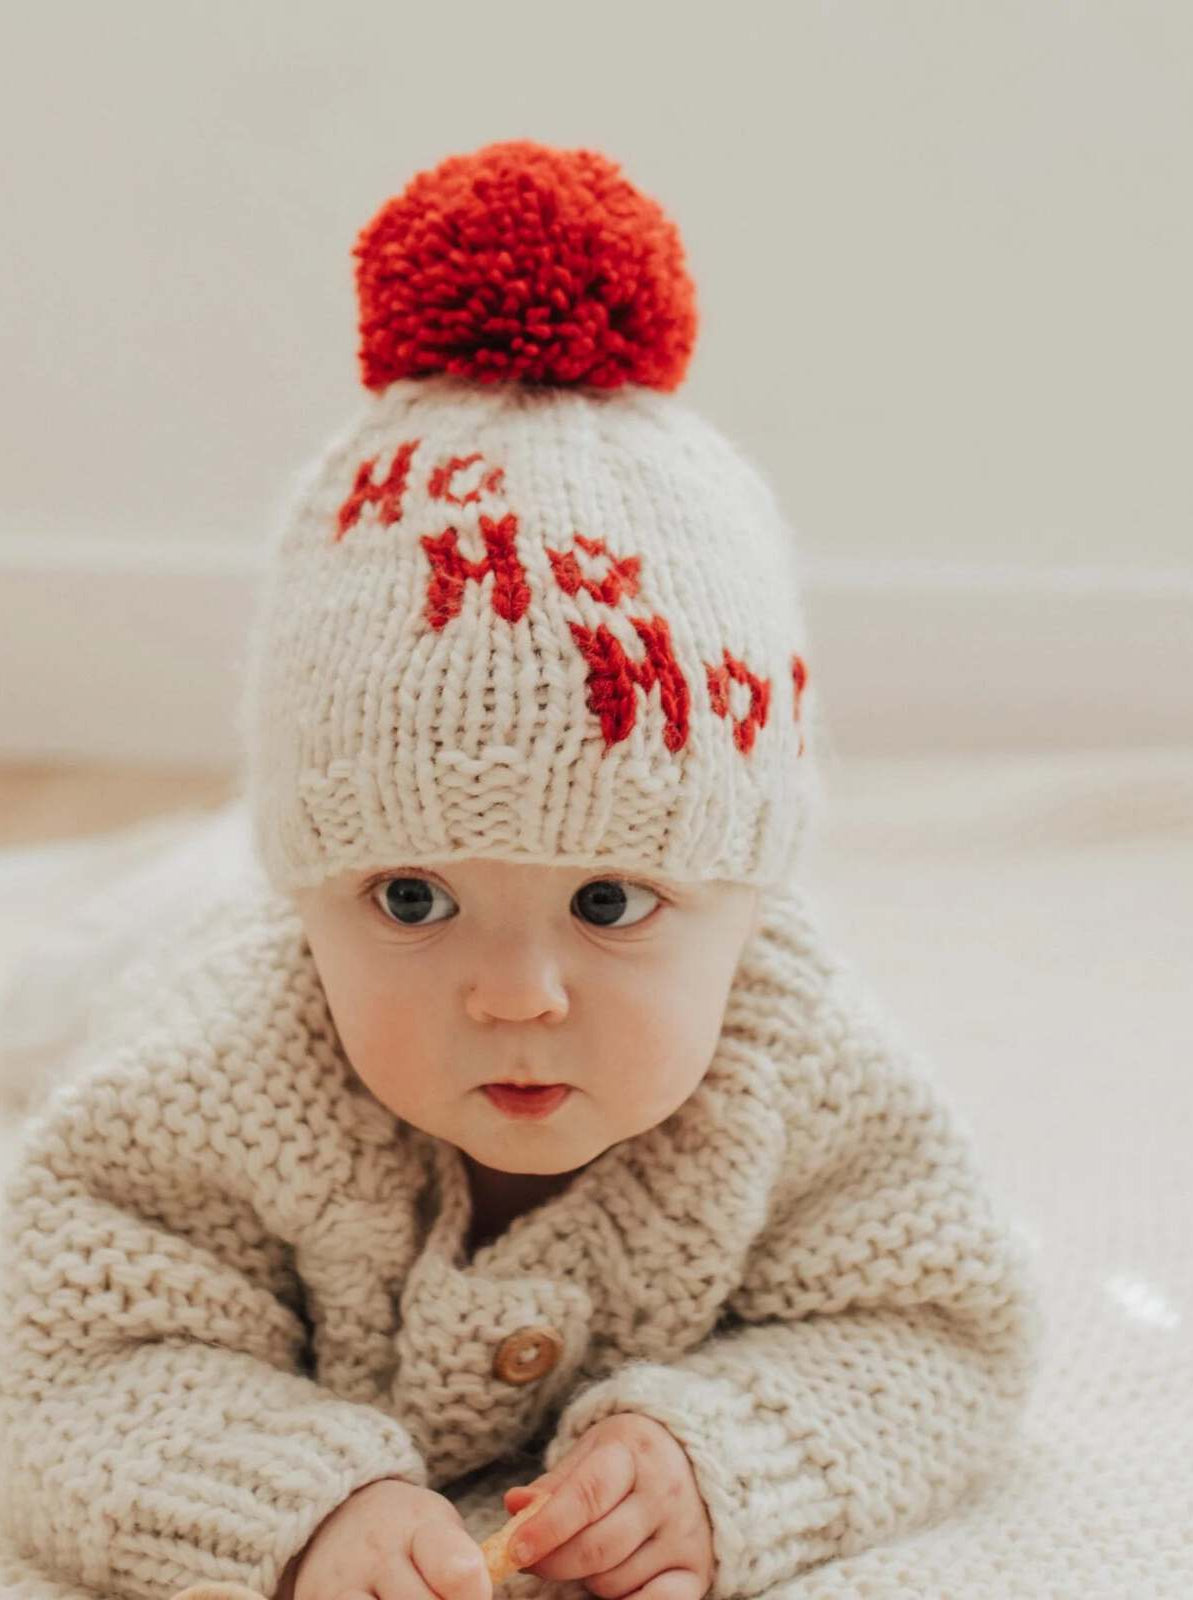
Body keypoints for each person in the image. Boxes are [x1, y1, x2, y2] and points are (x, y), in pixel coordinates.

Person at [0, 140, 1042, 1600]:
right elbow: (64, 1361)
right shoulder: (212, 1082)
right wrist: (292, 1506)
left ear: (753, 899)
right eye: (409, 898)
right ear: (309, 894)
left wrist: (719, 1457)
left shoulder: (800, 1075)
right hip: (163, 949)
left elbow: (933, 1329)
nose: (514, 993)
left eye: (609, 902)